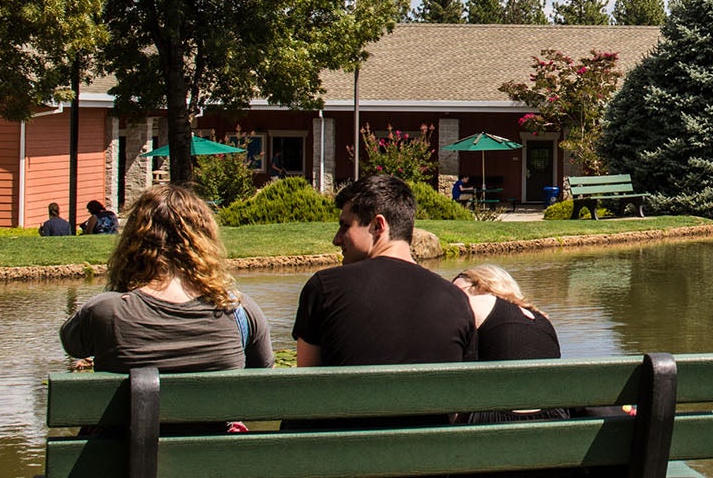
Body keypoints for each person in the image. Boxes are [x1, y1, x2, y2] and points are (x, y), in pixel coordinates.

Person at [291, 174, 475, 427]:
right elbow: (460, 404)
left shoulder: (325, 288)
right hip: (429, 459)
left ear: (378, 226)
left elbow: (305, 389)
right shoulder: (456, 299)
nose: (336, 238)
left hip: (342, 458)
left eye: (345, 226)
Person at [60, 184, 274, 375]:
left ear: (132, 243)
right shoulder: (239, 311)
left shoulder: (105, 311)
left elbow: (73, 346)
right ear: (205, 242)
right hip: (210, 421)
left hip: (133, 420)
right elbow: (262, 376)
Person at [452, 264, 566, 424]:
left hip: (496, 421)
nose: (452, 296)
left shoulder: (478, 303)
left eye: (456, 289)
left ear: (480, 285)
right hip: (554, 419)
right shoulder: (542, 318)